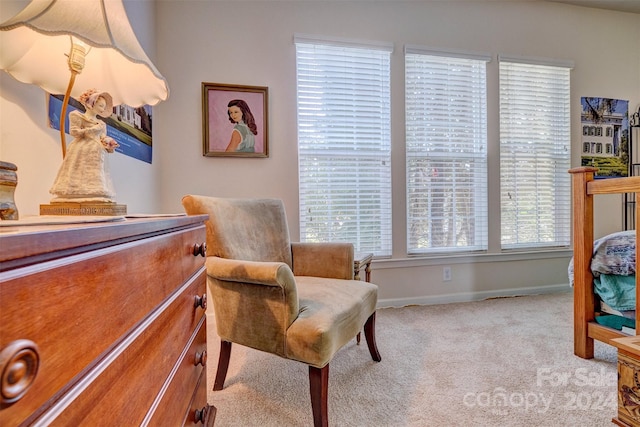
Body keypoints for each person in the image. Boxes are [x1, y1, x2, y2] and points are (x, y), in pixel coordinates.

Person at [50, 89, 120, 203]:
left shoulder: (102, 124)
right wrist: (93, 129)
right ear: (91, 103)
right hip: (81, 149)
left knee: (94, 173)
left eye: (104, 106)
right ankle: (74, 192)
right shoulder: (77, 116)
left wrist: (109, 141)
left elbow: (102, 137)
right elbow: (74, 132)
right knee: (78, 169)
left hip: (96, 151)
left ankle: (95, 191)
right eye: (100, 105)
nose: (102, 109)